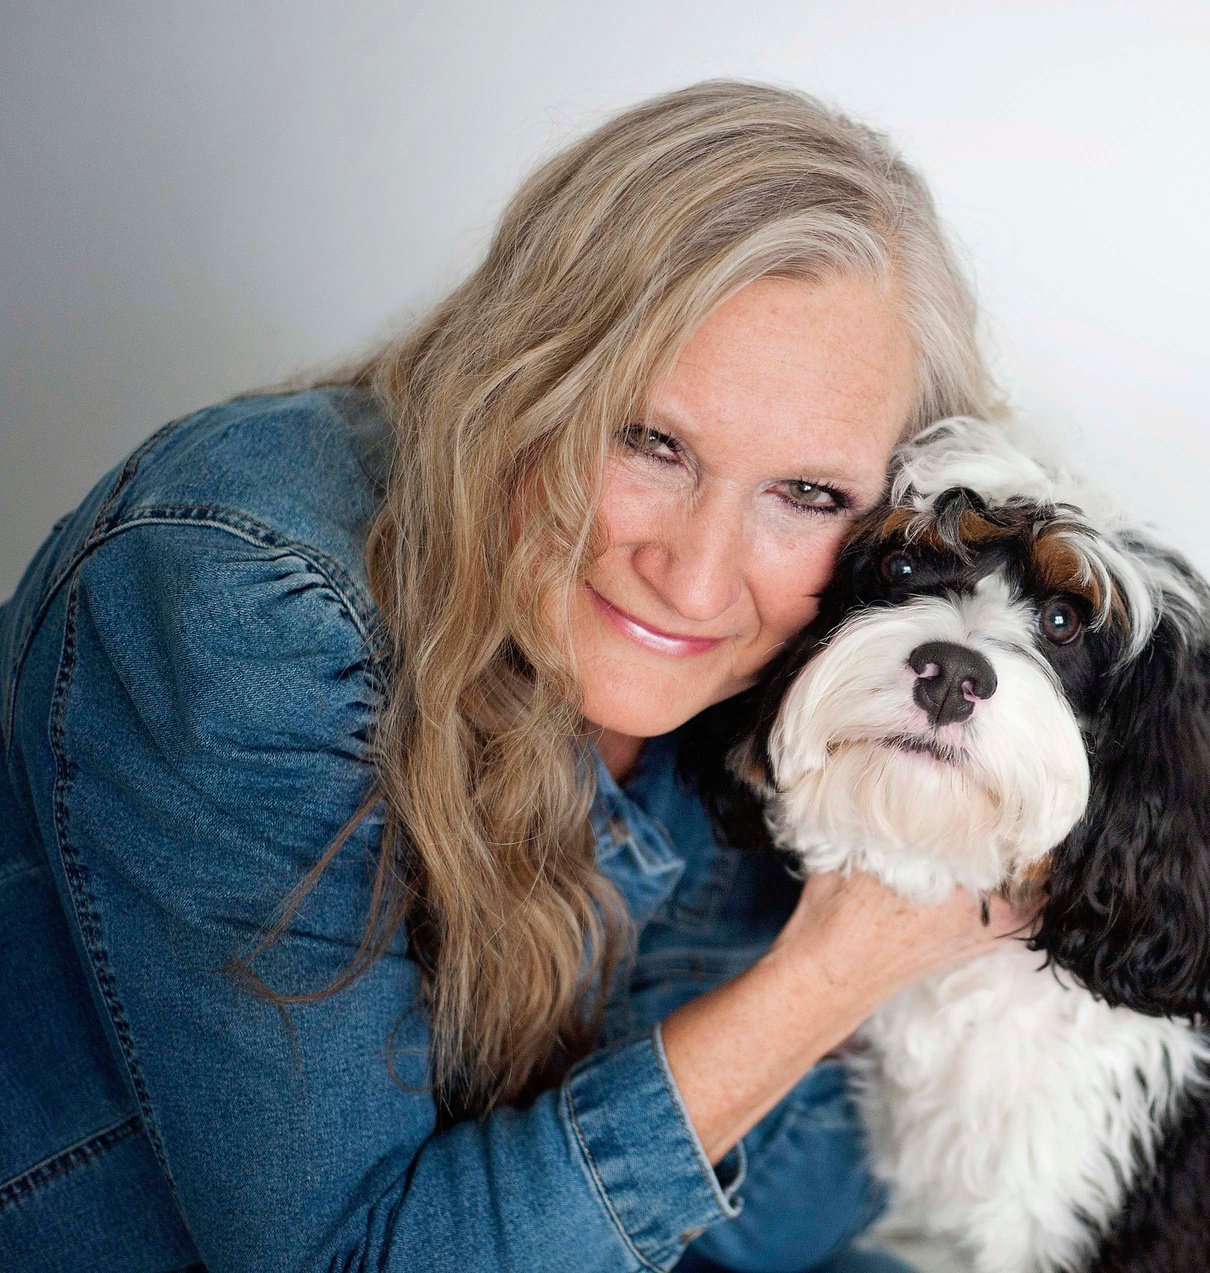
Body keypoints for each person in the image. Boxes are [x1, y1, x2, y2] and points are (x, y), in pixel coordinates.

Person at [0, 80, 1029, 1272]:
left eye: (807, 493)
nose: (696, 581)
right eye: (648, 441)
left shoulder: (791, 670)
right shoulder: (239, 603)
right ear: (518, 379)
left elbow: (781, 1221)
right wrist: (839, 968)